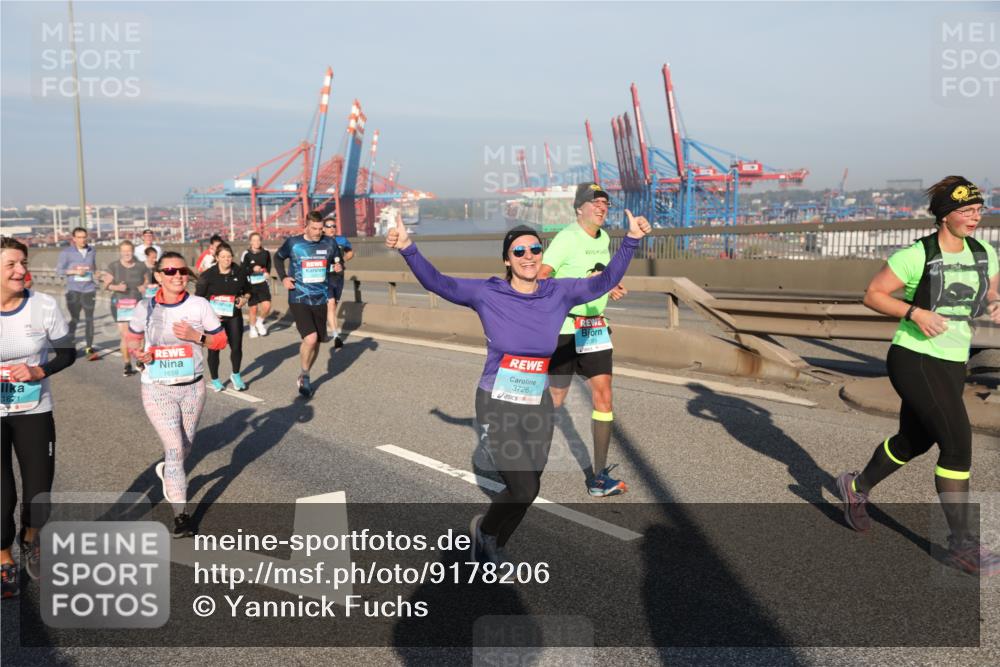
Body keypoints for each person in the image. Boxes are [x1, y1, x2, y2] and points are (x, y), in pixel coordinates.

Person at [386, 210, 650, 564]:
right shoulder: (487, 292)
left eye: (535, 250)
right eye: (520, 252)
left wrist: (631, 240)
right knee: (523, 486)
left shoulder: (558, 292)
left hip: (535, 400)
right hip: (496, 399)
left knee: (529, 488)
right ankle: (484, 531)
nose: (529, 257)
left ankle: (495, 543)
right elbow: (439, 283)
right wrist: (408, 248)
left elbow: (604, 281)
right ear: (507, 260)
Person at [836, 176, 1000, 576]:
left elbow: (992, 289)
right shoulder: (915, 255)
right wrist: (915, 312)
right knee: (957, 443)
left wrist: (996, 303)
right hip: (914, 356)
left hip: (951, 359)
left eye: (978, 210)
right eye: (966, 211)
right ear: (945, 216)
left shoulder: (984, 253)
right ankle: (960, 545)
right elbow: (873, 294)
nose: (974, 217)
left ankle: (855, 488)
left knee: (914, 441)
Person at [126, 252, 227, 538]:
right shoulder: (144, 308)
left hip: (193, 386)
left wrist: (197, 337)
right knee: (173, 449)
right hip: (157, 388)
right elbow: (133, 338)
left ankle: (169, 473)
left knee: (184, 447)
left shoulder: (199, 305)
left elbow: (220, 340)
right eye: (170, 271)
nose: (178, 276)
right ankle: (181, 516)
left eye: (182, 271)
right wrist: (139, 355)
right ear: (158, 275)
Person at [537, 182, 629, 497]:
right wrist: (580, 284)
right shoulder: (566, 238)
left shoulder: (603, 238)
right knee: (556, 401)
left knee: (604, 396)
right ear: (580, 208)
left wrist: (608, 286)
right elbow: (541, 277)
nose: (602, 207)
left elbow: (598, 273)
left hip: (594, 328)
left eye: (605, 203)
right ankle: (528, 463)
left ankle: (598, 477)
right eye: (595, 202)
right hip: (564, 329)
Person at [1, 237, 75, 597]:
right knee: (2, 498)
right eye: (12, 265)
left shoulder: (44, 305)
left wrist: (38, 372)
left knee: (38, 492)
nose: (21, 271)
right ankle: (2, 555)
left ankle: (31, 539)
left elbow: (67, 352)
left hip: (34, 410)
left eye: (23, 263)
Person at [275, 211, 341, 398]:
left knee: (318, 341)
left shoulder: (330, 243)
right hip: (298, 297)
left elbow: (337, 264)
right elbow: (278, 258)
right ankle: (304, 375)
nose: (318, 232)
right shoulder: (294, 243)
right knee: (310, 339)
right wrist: (284, 277)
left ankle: (305, 373)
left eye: (321, 229)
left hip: (320, 297)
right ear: (306, 226)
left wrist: (338, 268)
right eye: (314, 228)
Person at [195, 243, 251, 392]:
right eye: (223, 257)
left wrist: (244, 299)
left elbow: (248, 291)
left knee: (237, 346)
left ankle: (236, 375)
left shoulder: (239, 272)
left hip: (233, 315)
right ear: (217, 258)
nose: (227, 259)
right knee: (215, 349)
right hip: (213, 319)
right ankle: (215, 379)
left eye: (229, 256)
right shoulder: (208, 275)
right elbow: (198, 299)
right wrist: (209, 312)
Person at [100, 240, 150, 377]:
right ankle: (127, 364)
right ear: (120, 252)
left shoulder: (140, 266)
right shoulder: (114, 266)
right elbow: (105, 285)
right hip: (120, 304)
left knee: (139, 334)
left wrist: (144, 286)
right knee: (125, 335)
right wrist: (117, 287)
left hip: (137, 304)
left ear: (133, 251)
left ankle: (140, 359)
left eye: (129, 250)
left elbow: (147, 280)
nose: (127, 253)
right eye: (124, 251)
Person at [55, 226, 99, 360]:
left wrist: (98, 274)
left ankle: (89, 349)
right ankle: (69, 347)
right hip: (74, 291)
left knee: (89, 320)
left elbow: (93, 268)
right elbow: (59, 271)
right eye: (79, 237)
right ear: (74, 239)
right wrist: (75, 272)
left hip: (89, 290)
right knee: (75, 320)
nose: (82, 240)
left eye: (84, 237)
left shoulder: (92, 250)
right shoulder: (66, 252)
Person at [323, 219, 353, 347]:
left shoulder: (342, 240)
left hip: (339, 276)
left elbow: (350, 252)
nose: (331, 228)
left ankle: (322, 324)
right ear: (323, 228)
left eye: (334, 226)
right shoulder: (320, 241)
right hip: (325, 277)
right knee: (331, 305)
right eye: (328, 226)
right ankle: (336, 336)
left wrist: (343, 260)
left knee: (333, 304)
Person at [241, 232, 272, 338]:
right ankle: (252, 328)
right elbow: (242, 270)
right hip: (251, 284)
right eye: (254, 240)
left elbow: (268, 266)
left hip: (263, 283)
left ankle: (260, 322)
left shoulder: (266, 252)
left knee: (267, 306)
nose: (256, 242)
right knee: (253, 308)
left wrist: (267, 273)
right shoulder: (246, 254)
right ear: (250, 242)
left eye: (258, 240)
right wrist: (251, 269)